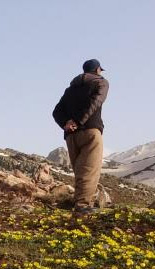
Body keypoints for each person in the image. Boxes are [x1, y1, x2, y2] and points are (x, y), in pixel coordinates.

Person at [52, 59, 109, 216]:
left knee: (79, 170)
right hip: (90, 130)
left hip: (71, 136)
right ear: (97, 69)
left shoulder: (70, 89)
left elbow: (56, 111)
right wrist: (79, 121)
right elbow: (96, 102)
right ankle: (82, 206)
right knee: (90, 169)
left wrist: (66, 123)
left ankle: (80, 201)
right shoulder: (101, 83)